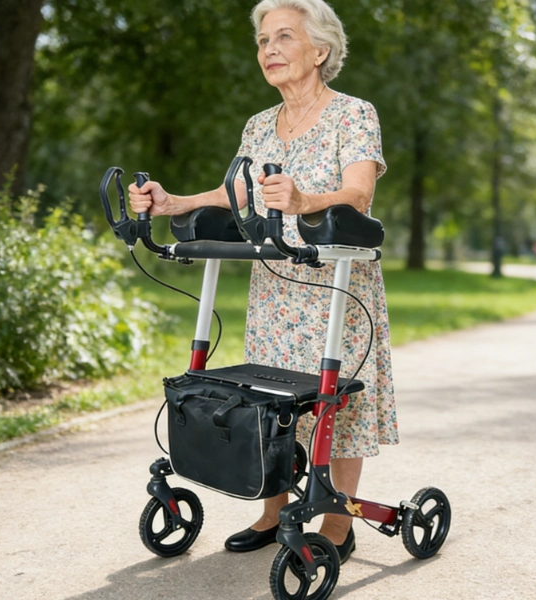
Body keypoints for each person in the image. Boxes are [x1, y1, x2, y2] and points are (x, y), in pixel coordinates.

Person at [128, 0, 398, 564]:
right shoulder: (258, 125)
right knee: (268, 400)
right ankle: (274, 511)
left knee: (334, 404)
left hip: (336, 284)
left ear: (319, 51)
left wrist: (306, 200)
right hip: (276, 286)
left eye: (283, 38)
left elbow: (358, 196)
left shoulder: (355, 114)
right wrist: (171, 202)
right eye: (262, 41)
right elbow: (237, 194)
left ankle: (335, 522)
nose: (268, 50)